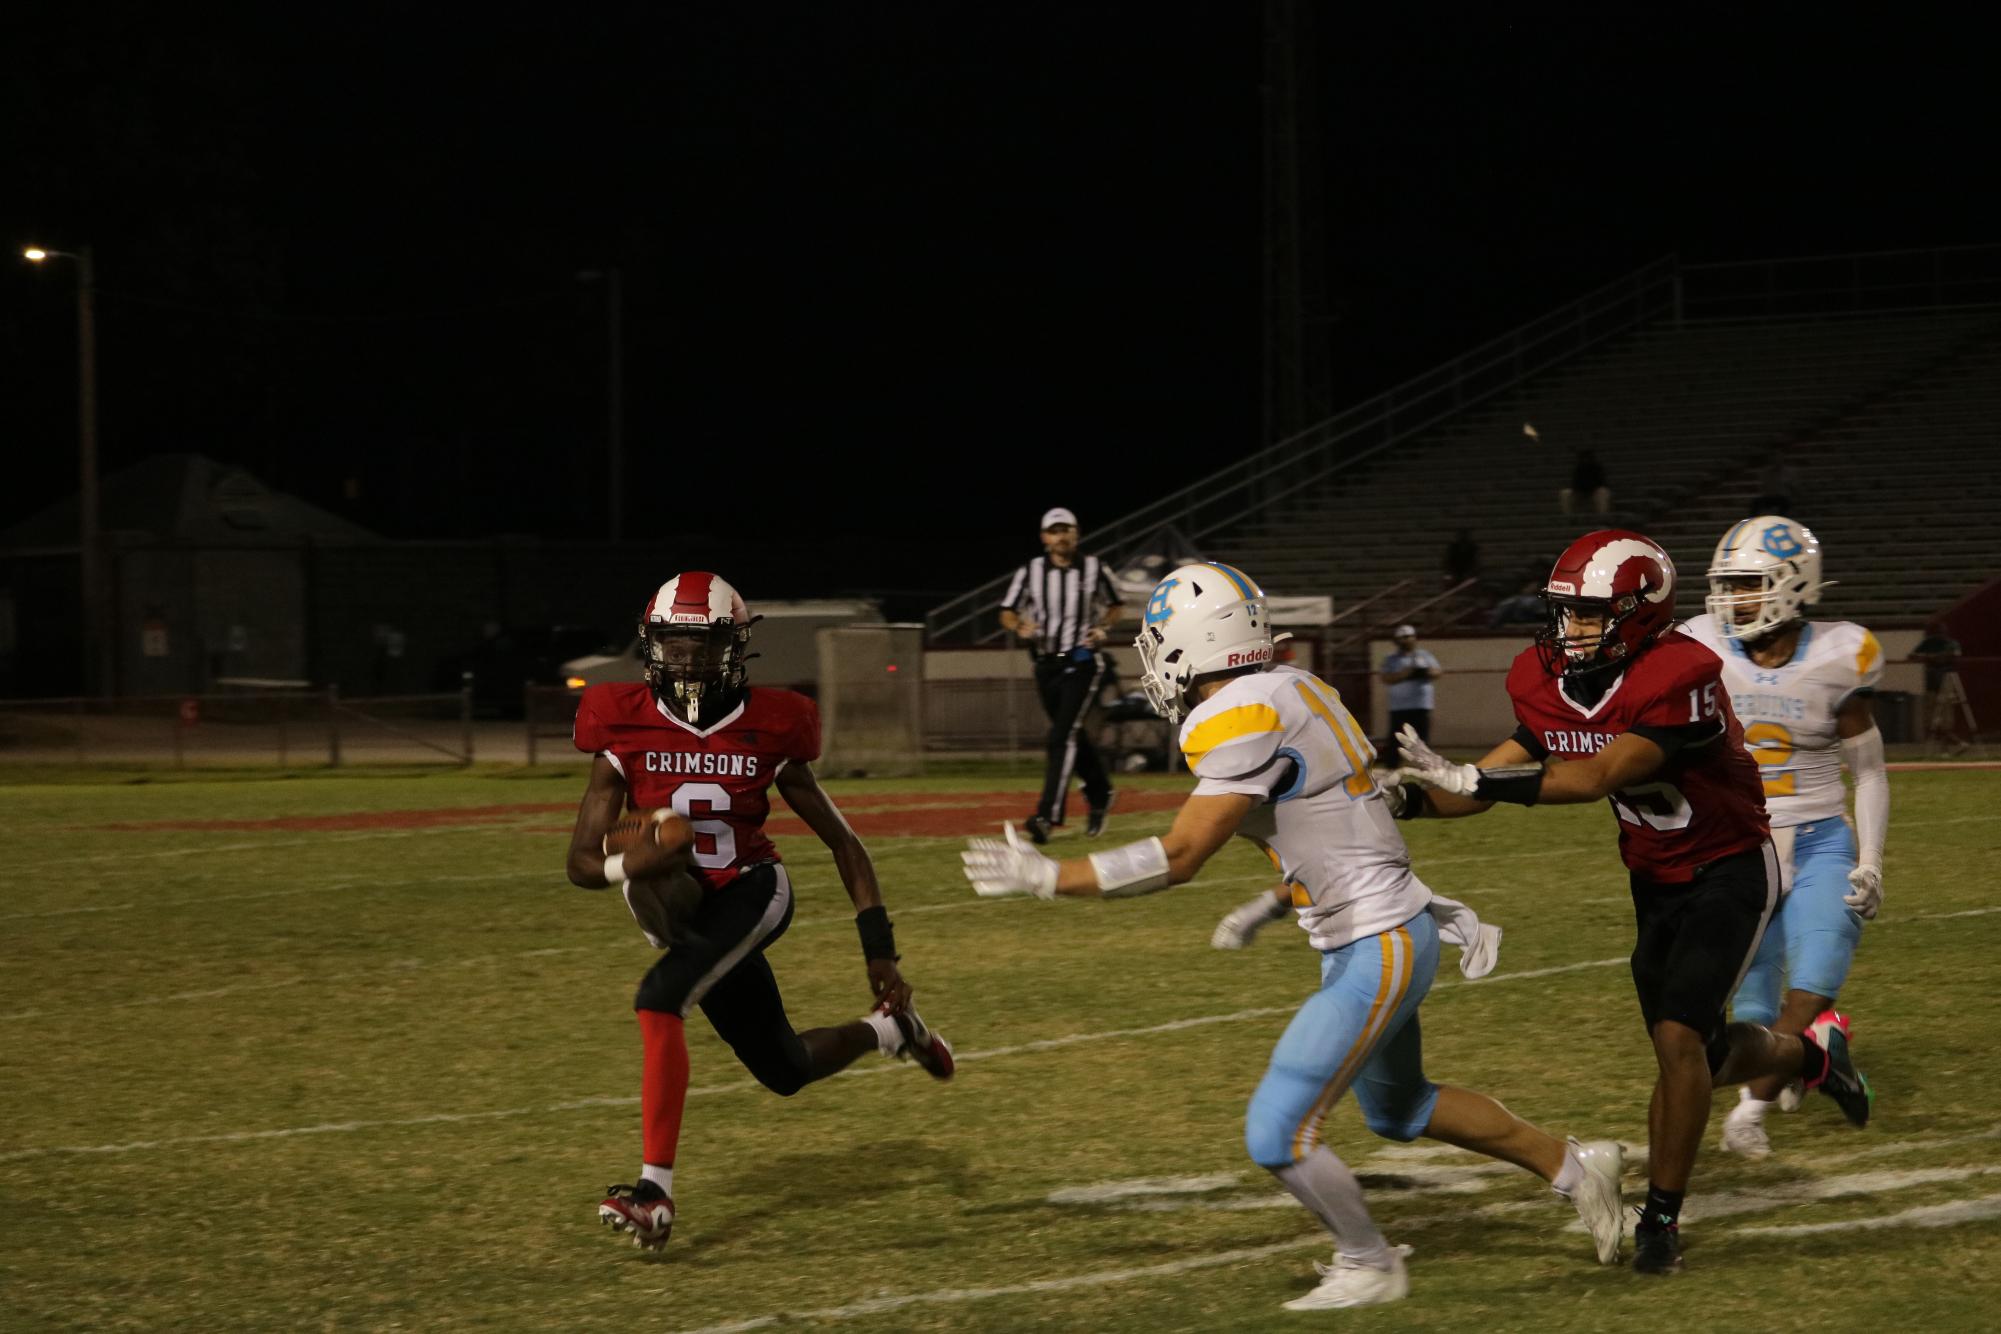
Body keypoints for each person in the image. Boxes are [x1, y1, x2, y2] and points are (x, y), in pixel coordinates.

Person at [962, 561, 1626, 1311]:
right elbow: (1328, 830)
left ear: (1193, 641)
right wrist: (1273, 903)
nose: (1151, 656)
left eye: (1158, 639)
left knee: (1277, 1133)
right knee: (1399, 1108)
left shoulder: (1237, 713)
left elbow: (1180, 857)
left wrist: (1052, 877)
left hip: (1377, 942)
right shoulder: (1291, 686)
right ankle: (1576, 1167)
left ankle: (1369, 1262)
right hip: (1383, 928)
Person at [1385, 529, 1872, 1276]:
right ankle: (1809, 1053)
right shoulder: (1545, 680)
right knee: (1700, 1052)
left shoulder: (1681, 671)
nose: (1567, 630)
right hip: (1653, 876)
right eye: (1563, 612)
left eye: (1587, 614)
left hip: (1731, 868)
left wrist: (1471, 782)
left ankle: (1661, 1220)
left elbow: (1595, 777)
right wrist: (1407, 801)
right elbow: (1483, 784)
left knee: (1680, 1041)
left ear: (1639, 613)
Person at [565, 571, 954, 1252]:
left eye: (703, 644)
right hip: (679, 904)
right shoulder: (618, 719)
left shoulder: (773, 723)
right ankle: (891, 1033)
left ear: (735, 648)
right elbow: (580, 864)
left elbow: (844, 843)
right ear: (651, 645)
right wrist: (640, 861)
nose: (687, 660)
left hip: (751, 888)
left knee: (660, 999)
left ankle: (653, 1193)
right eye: (673, 644)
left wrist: (879, 948)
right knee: (784, 1070)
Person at [1682, 516, 1889, 1159]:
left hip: (1823, 833)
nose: (1733, 599)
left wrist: (1873, 859)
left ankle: (1750, 1110)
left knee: (1817, 977)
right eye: (1728, 585)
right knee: (1750, 998)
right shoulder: (1701, 647)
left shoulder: (1838, 655)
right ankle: (1812, 1054)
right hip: (1741, 845)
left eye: (1748, 584)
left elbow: (1871, 769)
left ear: (1793, 585)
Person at [998, 507, 1125, 842]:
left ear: (1077, 533)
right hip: (1045, 664)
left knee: (1060, 737)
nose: (1061, 536)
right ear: (1044, 538)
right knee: (1071, 735)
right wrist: (1019, 626)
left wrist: (1102, 628)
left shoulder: (1095, 568)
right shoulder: (1031, 571)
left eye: (1066, 529)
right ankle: (1100, 793)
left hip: (1082, 661)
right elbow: (1007, 611)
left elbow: (1116, 605)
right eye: (1054, 531)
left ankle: (1046, 816)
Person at [1378, 624, 1440, 767]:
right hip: (1399, 707)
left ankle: (1427, 768)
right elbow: (1386, 678)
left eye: (1409, 637)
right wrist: (1406, 673)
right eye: (1402, 638)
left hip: (1421, 705)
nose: (1406, 641)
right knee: (1395, 740)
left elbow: (1437, 672)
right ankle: (1392, 768)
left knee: (1423, 740)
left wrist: (1424, 672)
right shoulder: (1391, 659)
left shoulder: (1424, 656)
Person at [1560, 448, 1611, 516]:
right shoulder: (1578, 469)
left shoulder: (1597, 468)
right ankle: (1569, 518)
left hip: (1595, 491)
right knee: (1565, 493)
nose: (1585, 460)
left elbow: (1602, 483)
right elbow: (1575, 484)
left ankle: (1602, 517)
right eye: (1583, 458)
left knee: (1603, 492)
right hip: (1580, 492)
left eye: (1587, 458)